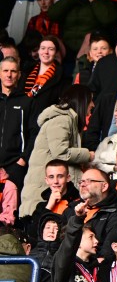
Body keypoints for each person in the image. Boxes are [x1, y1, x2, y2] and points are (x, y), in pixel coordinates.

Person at [20, 85, 92, 219]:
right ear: (82, 101)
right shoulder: (62, 120)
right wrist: (88, 155)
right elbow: (61, 152)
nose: (92, 105)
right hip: (42, 191)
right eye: (90, 100)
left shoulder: (69, 120)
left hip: (51, 188)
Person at [0, 57, 31, 187]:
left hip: (15, 167)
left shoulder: (26, 102)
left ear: (19, 75)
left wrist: (22, 161)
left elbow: (34, 134)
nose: (9, 74)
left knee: (11, 207)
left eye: (13, 71)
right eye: (5, 70)